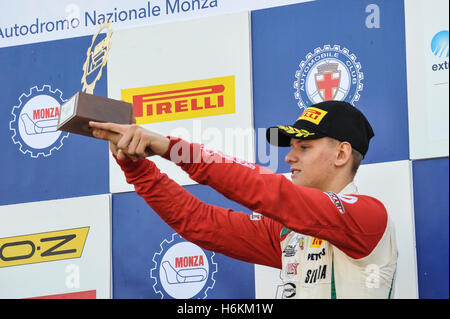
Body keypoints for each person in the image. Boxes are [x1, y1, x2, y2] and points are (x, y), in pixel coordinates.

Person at [89, 100, 398, 299]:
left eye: (304, 148)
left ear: (342, 154)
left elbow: (269, 192)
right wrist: (134, 165)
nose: (289, 157)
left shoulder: (368, 217)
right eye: (291, 147)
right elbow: (200, 224)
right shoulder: (291, 232)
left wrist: (170, 147)